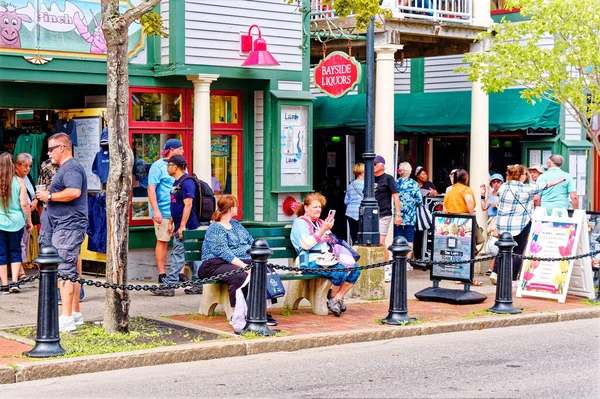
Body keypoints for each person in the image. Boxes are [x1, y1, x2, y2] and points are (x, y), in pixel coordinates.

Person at [198, 195, 277, 333]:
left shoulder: (235, 224)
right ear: (230, 208)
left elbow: (250, 240)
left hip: (239, 261)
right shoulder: (215, 228)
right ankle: (237, 315)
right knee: (239, 276)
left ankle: (261, 311)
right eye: (236, 205)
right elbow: (224, 252)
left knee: (264, 270)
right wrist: (245, 266)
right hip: (213, 264)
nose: (237, 208)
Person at [35, 133, 87, 332]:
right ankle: (74, 313)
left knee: (64, 269)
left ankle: (66, 318)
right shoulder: (65, 168)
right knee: (71, 268)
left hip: (68, 225)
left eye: (51, 149)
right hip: (65, 225)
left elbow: (74, 192)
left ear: (62, 148)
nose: (48, 154)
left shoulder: (71, 167)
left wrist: (49, 195)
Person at [290, 192, 361, 317]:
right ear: (306, 208)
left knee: (355, 269)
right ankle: (333, 299)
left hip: (327, 259)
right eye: (315, 207)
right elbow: (305, 245)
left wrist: (329, 233)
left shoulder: (320, 222)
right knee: (340, 271)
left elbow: (329, 244)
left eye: (320, 207)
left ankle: (336, 298)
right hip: (309, 261)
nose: (318, 210)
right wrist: (322, 230)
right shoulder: (300, 223)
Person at [496, 164, 566, 284]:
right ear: (522, 176)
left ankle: (496, 273)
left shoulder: (503, 187)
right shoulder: (526, 189)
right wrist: (559, 180)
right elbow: (543, 185)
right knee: (517, 251)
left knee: (502, 250)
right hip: (519, 226)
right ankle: (512, 279)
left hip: (502, 226)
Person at [152, 155, 203, 296]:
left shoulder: (187, 183)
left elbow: (188, 205)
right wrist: (171, 223)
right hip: (179, 224)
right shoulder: (176, 183)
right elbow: (176, 204)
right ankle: (199, 283)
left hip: (188, 226)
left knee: (178, 254)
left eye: (169, 165)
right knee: (191, 255)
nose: (167, 168)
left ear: (176, 167)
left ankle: (169, 285)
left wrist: (182, 226)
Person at [147, 138, 187, 284]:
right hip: (163, 211)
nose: (183, 151)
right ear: (171, 150)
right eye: (180, 148)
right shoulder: (157, 167)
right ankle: (162, 273)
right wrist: (156, 210)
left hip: (179, 211)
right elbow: (151, 189)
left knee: (181, 242)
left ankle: (180, 273)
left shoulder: (182, 165)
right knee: (163, 240)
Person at [0, 153, 32, 294]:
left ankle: (4, 285)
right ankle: (14, 282)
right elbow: (24, 204)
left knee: (1, 254)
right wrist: (29, 222)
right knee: (15, 252)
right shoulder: (19, 181)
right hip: (16, 223)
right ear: (13, 166)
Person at [443, 168, 481, 286]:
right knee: (469, 250)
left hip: (452, 222)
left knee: (457, 250)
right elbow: (469, 200)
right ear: (465, 178)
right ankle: (468, 277)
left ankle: (459, 276)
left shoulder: (449, 192)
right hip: (465, 222)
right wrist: (472, 215)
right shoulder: (466, 189)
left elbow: (444, 210)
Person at [374, 155, 401, 262]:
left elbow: (395, 196)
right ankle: (378, 265)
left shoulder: (388, 178)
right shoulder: (369, 178)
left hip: (384, 212)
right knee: (372, 241)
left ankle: (385, 265)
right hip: (371, 214)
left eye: (375, 164)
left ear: (382, 165)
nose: (373, 166)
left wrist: (398, 214)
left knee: (380, 241)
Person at [14, 153, 37, 275]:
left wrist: (35, 201)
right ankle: (20, 272)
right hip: (19, 217)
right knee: (19, 245)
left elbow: (34, 193)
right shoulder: (14, 179)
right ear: (17, 166)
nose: (27, 168)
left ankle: (18, 269)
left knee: (24, 244)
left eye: (30, 166)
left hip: (28, 214)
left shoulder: (29, 177)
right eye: (25, 165)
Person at [394, 162, 422, 257]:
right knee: (410, 238)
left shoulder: (395, 183)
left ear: (400, 172)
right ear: (409, 172)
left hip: (397, 216)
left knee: (397, 237)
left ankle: (397, 260)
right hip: (410, 216)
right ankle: (407, 262)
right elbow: (419, 201)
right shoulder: (414, 184)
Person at [480, 173, 503, 278]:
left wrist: (497, 205)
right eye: (494, 182)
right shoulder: (491, 195)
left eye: (498, 182)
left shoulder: (503, 193)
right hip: (491, 222)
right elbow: (484, 207)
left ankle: (493, 268)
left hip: (498, 221)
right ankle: (492, 267)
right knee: (491, 245)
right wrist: (482, 195)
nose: (496, 184)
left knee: (495, 245)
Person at [343, 162, 364, 244]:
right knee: (362, 235)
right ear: (362, 172)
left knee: (354, 235)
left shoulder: (350, 185)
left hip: (350, 212)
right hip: (361, 212)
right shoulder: (366, 184)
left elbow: (346, 201)